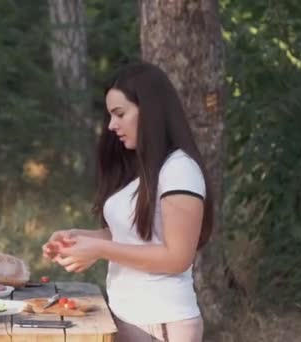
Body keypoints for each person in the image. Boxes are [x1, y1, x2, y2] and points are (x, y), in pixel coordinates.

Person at [43, 62, 213, 342]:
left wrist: (99, 249)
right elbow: (135, 236)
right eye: (110, 115)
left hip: (161, 324)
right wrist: (78, 238)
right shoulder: (143, 170)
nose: (111, 125)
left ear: (150, 111)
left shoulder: (180, 169)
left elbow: (177, 257)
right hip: (127, 317)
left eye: (120, 114)